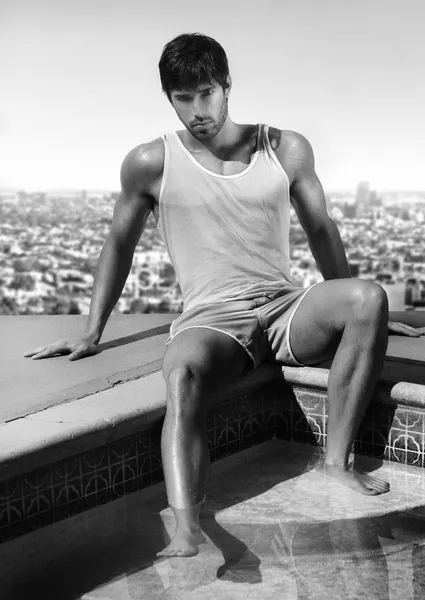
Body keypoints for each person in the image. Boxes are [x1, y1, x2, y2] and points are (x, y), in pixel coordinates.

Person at [25, 33, 424, 558]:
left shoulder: (283, 147)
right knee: (183, 375)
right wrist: (91, 331)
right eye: (183, 98)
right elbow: (118, 243)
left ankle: (336, 463)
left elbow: (321, 229)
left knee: (367, 298)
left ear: (228, 86)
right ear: (170, 99)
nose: (198, 110)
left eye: (207, 93)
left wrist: (369, 317)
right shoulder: (151, 162)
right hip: (212, 319)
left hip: (285, 307)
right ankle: (188, 528)